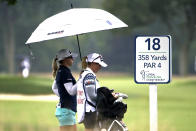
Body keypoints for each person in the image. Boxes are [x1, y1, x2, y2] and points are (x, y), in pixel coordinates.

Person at [76, 53, 108, 131]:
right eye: (99, 64)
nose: (100, 67)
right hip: (90, 111)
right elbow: (92, 96)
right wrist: (107, 97)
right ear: (93, 63)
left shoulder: (87, 74)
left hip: (89, 111)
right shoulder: (89, 76)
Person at [51, 49, 78, 131]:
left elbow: (54, 88)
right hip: (67, 111)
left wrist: (63, 96)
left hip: (66, 111)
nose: (73, 59)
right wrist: (81, 79)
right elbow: (71, 91)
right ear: (65, 59)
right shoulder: (65, 72)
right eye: (71, 57)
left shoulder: (61, 70)